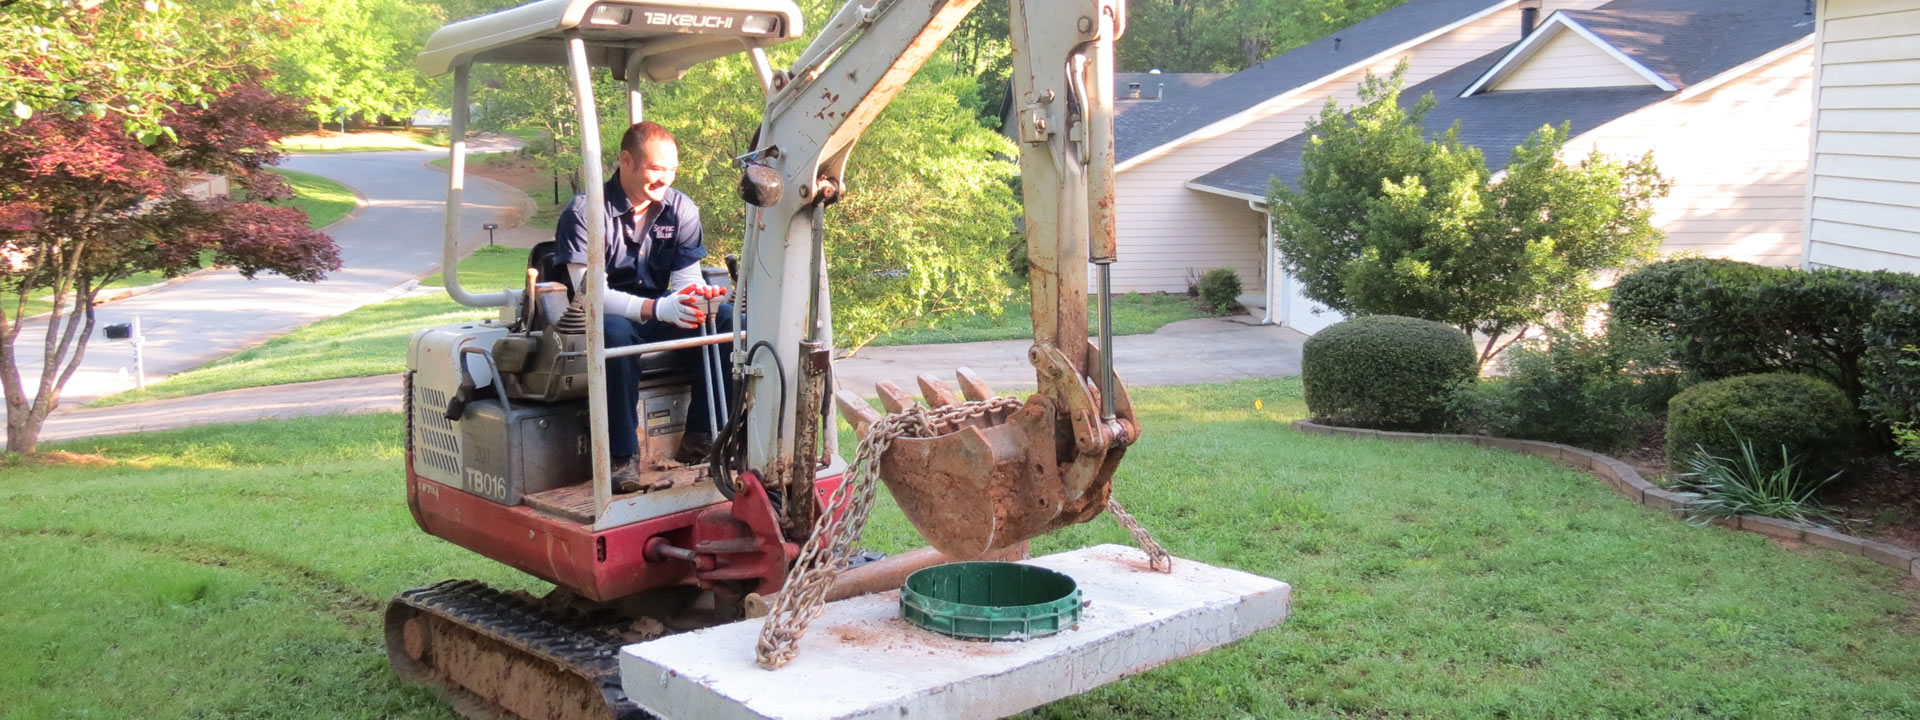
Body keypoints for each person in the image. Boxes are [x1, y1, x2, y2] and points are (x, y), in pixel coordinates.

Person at [556, 121, 731, 492]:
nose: (664, 179)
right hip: (601, 315)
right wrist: (658, 309)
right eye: (656, 169)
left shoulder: (681, 209)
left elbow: (685, 284)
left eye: (671, 170)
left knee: (727, 320)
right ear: (626, 161)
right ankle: (622, 457)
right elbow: (590, 296)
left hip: (655, 309)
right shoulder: (585, 212)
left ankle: (702, 437)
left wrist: (698, 299)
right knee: (616, 332)